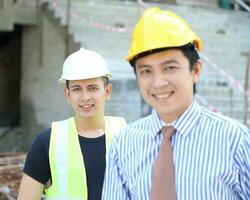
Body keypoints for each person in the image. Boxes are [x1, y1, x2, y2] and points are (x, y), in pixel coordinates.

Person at [102, 7, 250, 200]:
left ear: (195, 70)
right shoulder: (123, 145)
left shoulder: (235, 141)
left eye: (169, 68)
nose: (158, 83)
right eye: (146, 71)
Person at [17, 48, 127, 200]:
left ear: (107, 91)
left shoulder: (127, 137)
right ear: (67, 94)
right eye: (77, 89)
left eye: (93, 88)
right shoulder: (47, 142)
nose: (85, 97)